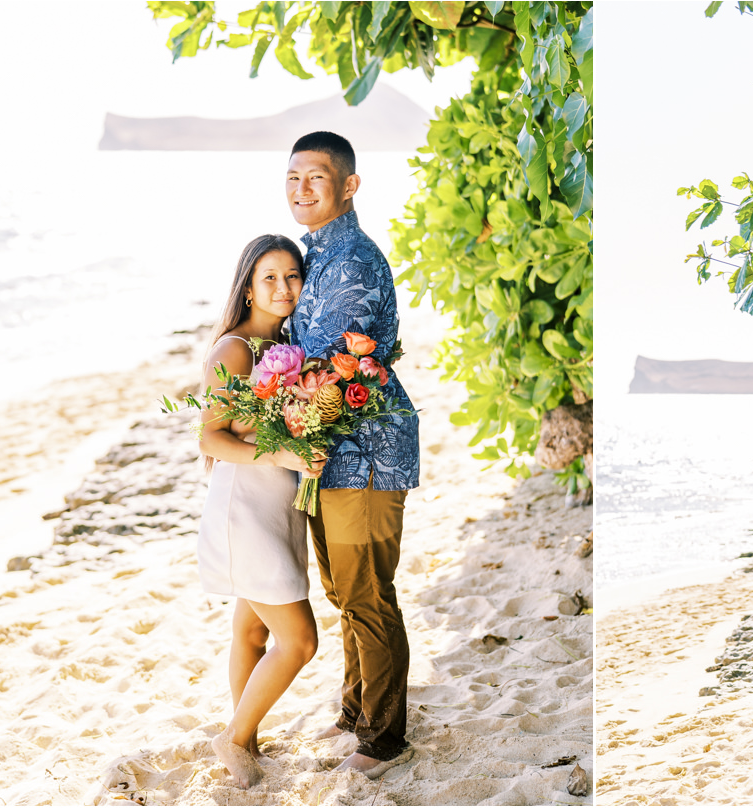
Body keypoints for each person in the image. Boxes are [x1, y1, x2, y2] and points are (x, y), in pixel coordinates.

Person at [285, 131, 421, 779]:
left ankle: (384, 736)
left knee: (366, 590)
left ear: (348, 185)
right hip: (326, 449)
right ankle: (354, 709)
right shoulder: (314, 257)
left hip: (364, 449)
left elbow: (325, 366)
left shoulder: (352, 262)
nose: (301, 189)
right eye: (292, 179)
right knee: (343, 588)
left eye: (315, 177)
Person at [197, 234, 326, 788]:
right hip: (245, 507)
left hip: (279, 503)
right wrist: (281, 448)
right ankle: (233, 738)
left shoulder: (292, 345)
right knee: (299, 641)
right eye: (269, 277)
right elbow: (210, 440)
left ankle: (244, 737)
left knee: (251, 633)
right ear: (248, 286)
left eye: (292, 276)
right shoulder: (233, 350)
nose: (283, 287)